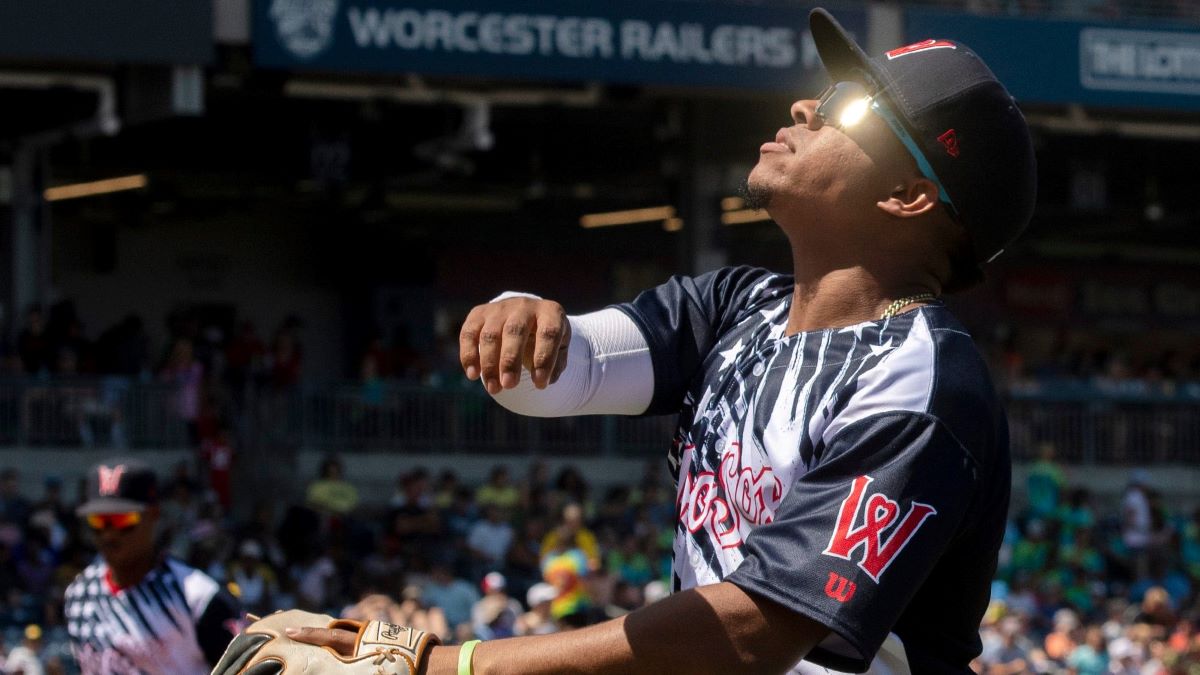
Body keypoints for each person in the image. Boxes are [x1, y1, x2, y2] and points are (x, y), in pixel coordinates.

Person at [284, 7, 1037, 673]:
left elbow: (756, 634)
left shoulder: (924, 379)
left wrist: (439, 664)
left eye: (853, 105)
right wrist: (519, 317)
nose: (807, 104)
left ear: (907, 195)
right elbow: (564, 373)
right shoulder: (735, 304)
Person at [64, 459, 243, 674]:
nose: (108, 534)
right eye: (99, 521)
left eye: (122, 519)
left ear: (153, 514)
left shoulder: (198, 597)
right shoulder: (79, 595)